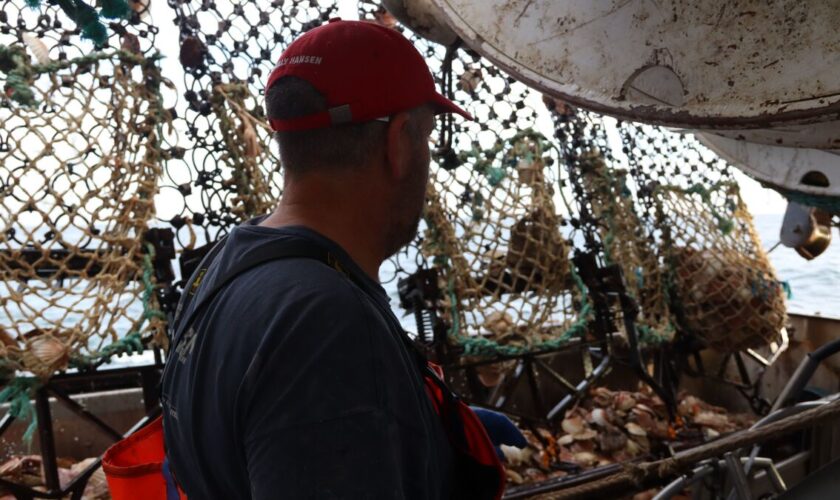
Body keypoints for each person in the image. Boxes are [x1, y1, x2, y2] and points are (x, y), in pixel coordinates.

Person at [160, 18, 522, 499]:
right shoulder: (326, 324)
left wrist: (420, 432)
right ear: (398, 143)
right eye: (428, 138)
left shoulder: (222, 268)